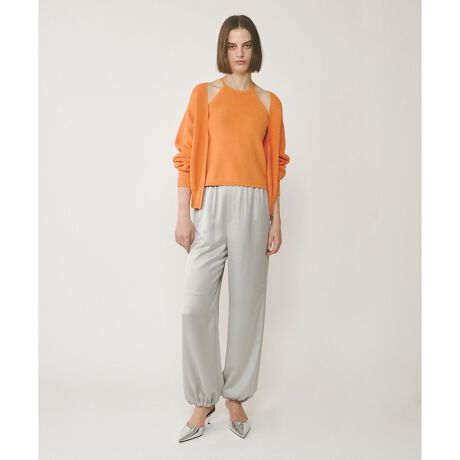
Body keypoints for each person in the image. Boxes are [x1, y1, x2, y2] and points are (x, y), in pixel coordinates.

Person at [173, 15, 291, 442]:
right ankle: (203, 397)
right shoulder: (204, 95)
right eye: (232, 46)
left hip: (254, 206)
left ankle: (236, 396)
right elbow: (186, 156)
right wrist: (183, 214)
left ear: (255, 49)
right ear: (223, 50)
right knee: (194, 306)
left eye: (246, 45)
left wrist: (276, 218)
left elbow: (276, 164)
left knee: (247, 305)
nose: (239, 53)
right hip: (209, 204)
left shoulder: (269, 103)